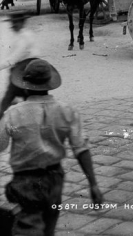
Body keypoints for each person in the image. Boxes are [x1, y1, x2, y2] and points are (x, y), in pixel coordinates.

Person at [0, 58, 103, 236]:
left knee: (27, 228)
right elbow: (81, 148)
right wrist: (93, 184)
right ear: (49, 84)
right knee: (49, 226)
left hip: (25, 182)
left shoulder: (13, 114)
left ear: (25, 86)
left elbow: (0, 145)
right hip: (55, 179)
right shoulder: (67, 111)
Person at [1, 12, 39, 121]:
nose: (13, 25)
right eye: (12, 22)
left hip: (23, 71)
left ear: (22, 22)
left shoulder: (24, 37)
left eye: (16, 22)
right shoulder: (24, 34)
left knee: (8, 98)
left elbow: (13, 58)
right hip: (26, 70)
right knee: (29, 99)